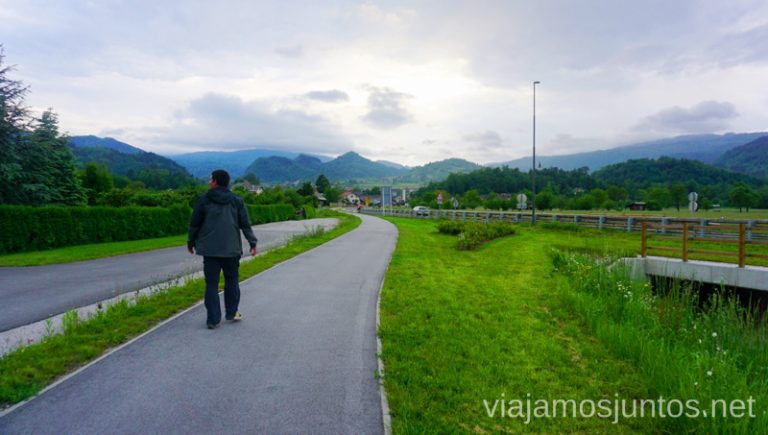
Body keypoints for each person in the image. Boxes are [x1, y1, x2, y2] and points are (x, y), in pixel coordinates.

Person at [188, 169, 258, 329]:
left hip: (210, 250)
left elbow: (194, 224)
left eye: (210, 179)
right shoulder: (236, 200)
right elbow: (245, 224)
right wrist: (252, 242)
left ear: (215, 182)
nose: (208, 182)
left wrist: (190, 242)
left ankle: (213, 319)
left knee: (211, 284)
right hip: (231, 249)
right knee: (232, 280)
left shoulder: (204, 200)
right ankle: (232, 312)